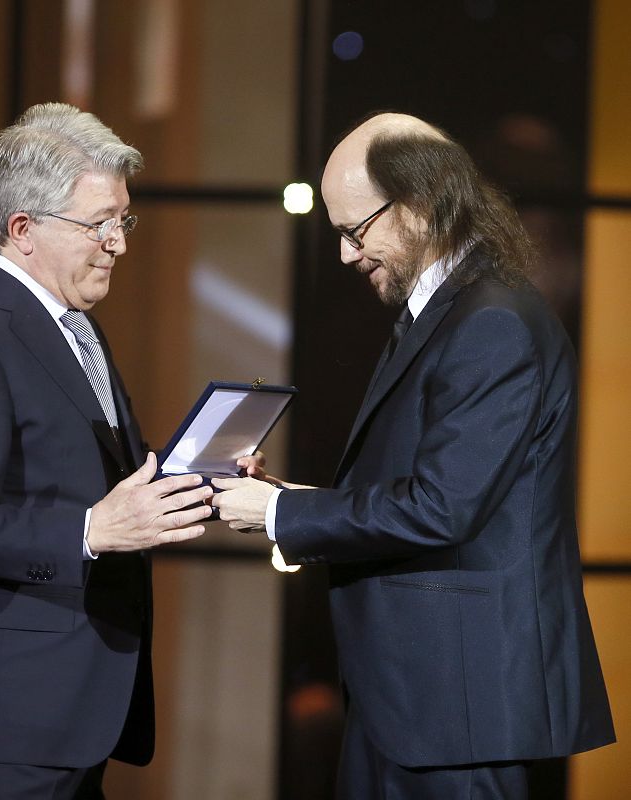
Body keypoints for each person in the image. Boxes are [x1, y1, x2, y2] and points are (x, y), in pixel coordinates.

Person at [212, 112, 615, 799]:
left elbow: (440, 509)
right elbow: (425, 487)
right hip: (423, 698)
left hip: (456, 706)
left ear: (421, 205)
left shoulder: (490, 322)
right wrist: (288, 499)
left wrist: (283, 512)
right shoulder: (452, 313)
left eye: (353, 231)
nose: (345, 255)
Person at [0, 103, 214, 799]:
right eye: (99, 223)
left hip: (63, 714)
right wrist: (91, 531)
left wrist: (204, 478)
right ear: (22, 229)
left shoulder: (75, 328)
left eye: (121, 221)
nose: (117, 243)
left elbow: (93, 473)